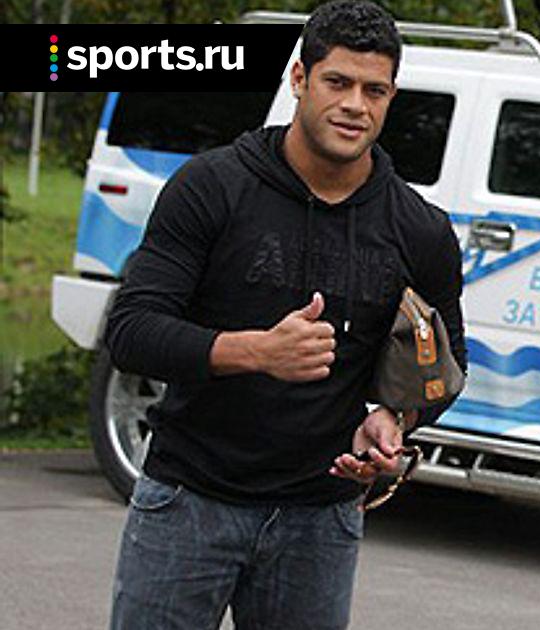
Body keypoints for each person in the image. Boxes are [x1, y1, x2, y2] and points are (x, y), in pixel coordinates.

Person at [104, 1, 466, 628]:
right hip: (189, 501)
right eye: (338, 82)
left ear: (391, 97)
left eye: (374, 90)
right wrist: (255, 352)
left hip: (319, 520)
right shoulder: (212, 186)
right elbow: (131, 331)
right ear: (300, 79)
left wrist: (395, 418)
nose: (354, 105)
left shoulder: (419, 229)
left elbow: (448, 363)